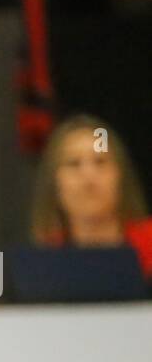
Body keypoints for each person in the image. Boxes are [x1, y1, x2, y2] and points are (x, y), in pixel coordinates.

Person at [30, 114, 152, 281]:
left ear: (120, 176)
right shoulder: (41, 263)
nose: (89, 176)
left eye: (100, 162)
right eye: (73, 163)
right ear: (55, 184)